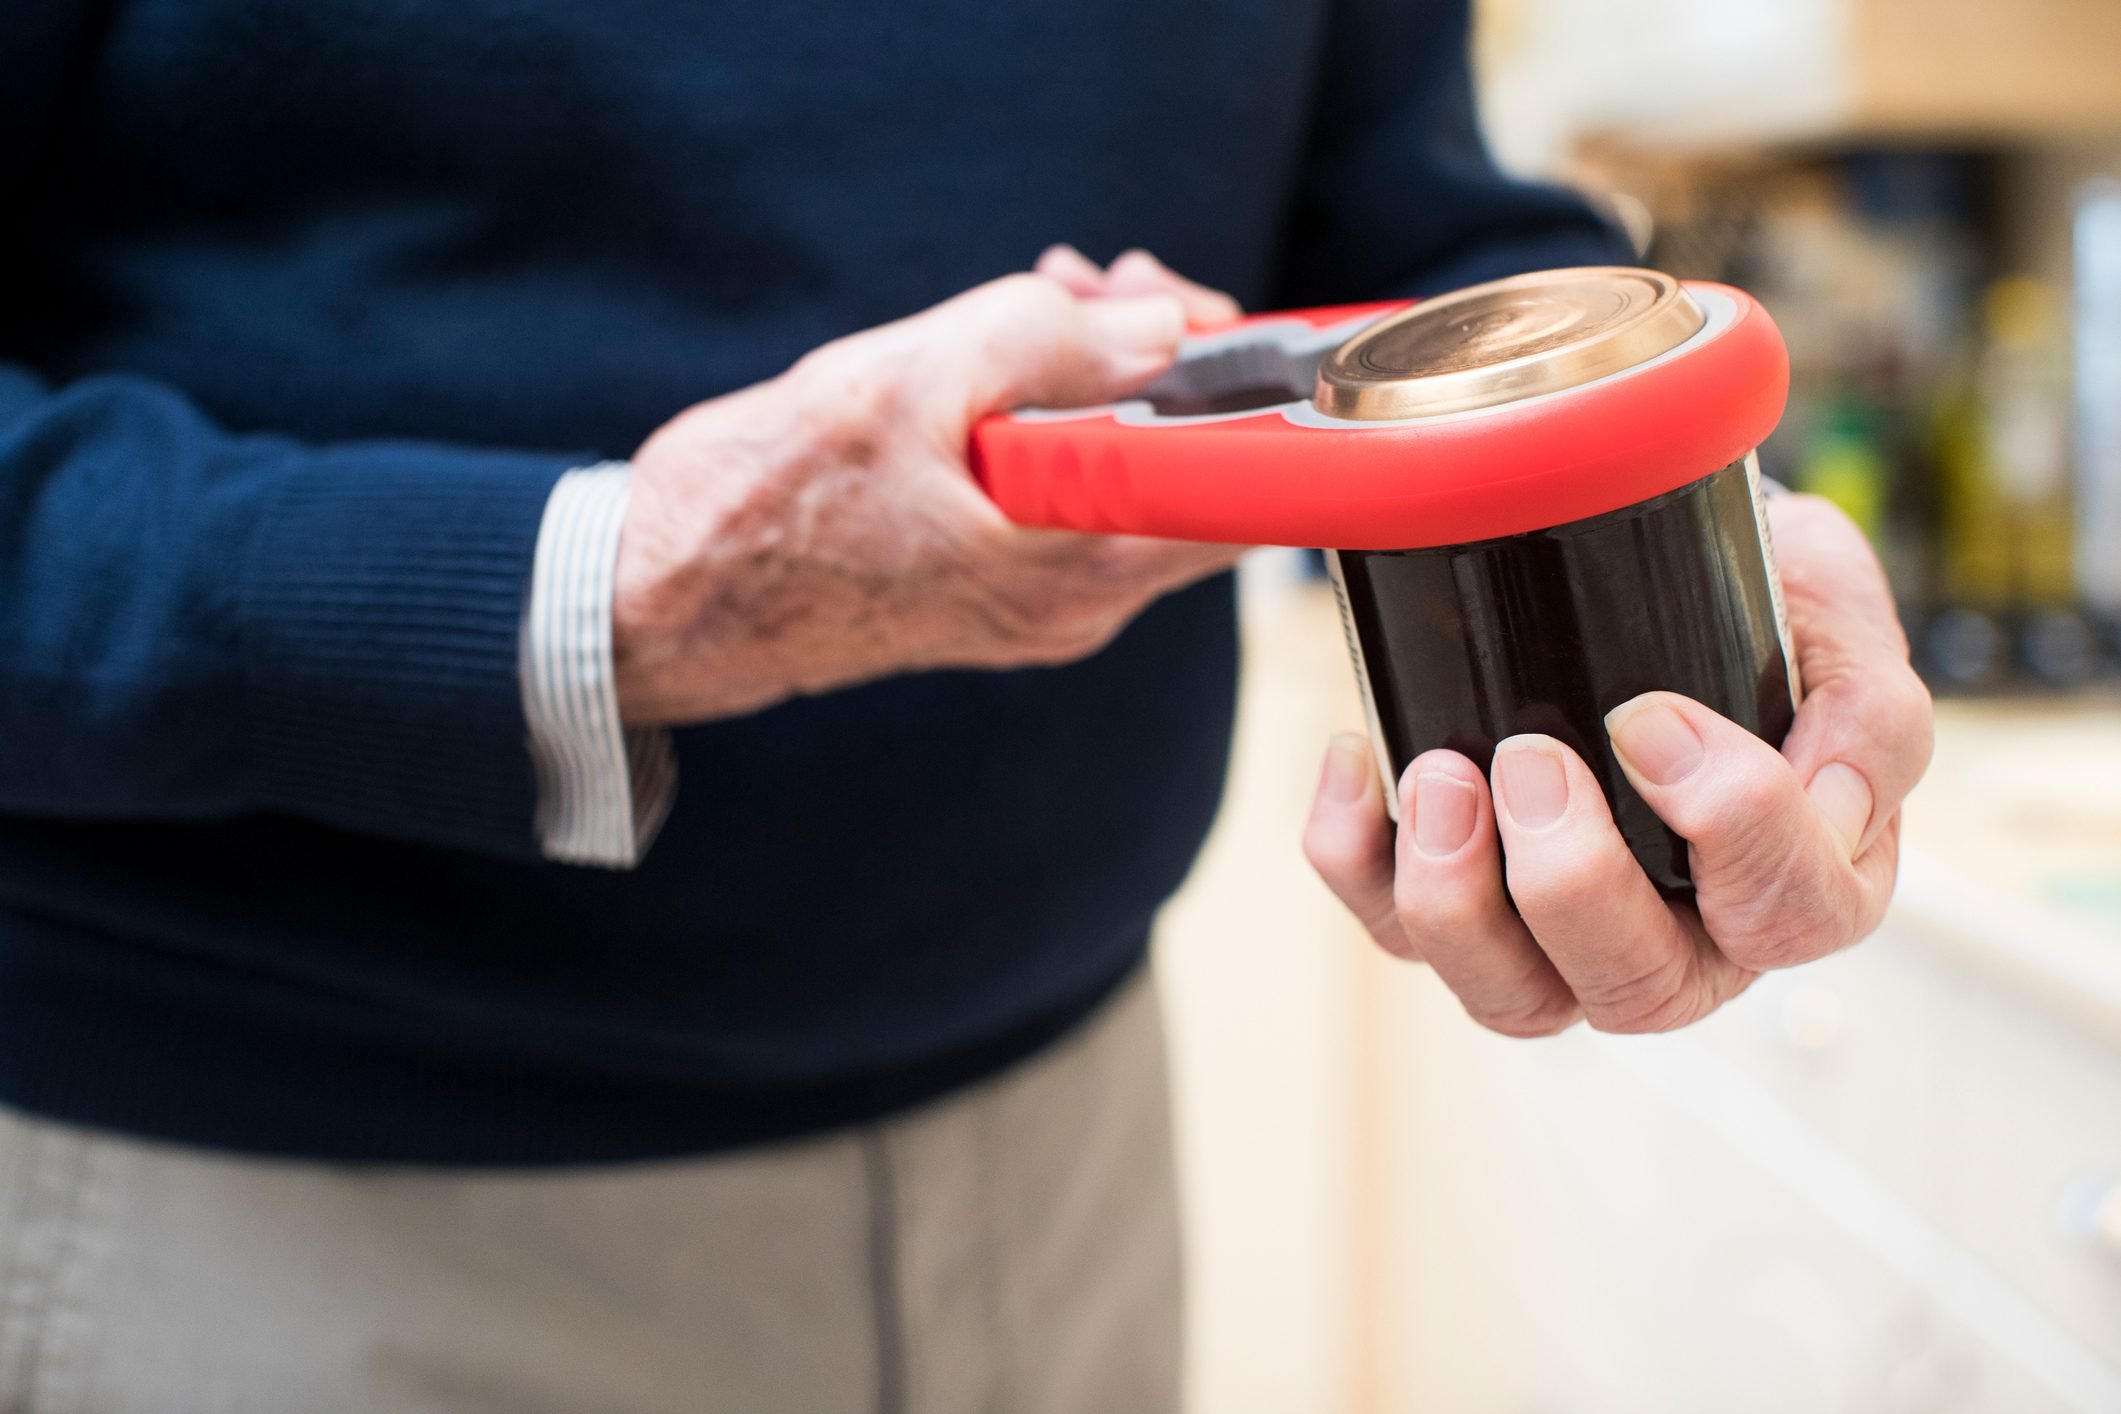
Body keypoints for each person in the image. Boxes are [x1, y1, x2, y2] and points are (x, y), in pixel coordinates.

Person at [0, 0, 1931, 1409]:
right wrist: (634, 579)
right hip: (276, 1221)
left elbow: (1406, 231)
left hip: (1064, 1152)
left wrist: (1697, 528)